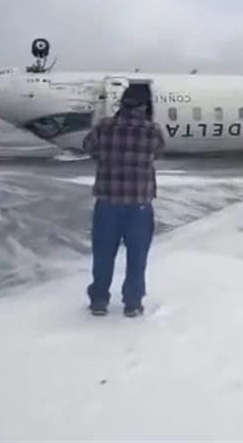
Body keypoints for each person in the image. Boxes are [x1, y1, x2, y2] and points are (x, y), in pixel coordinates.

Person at [82, 85, 165, 317]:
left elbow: (87, 146)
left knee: (103, 254)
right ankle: (133, 302)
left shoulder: (105, 127)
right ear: (144, 105)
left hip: (108, 201)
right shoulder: (152, 130)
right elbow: (158, 153)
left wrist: (104, 159)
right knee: (137, 256)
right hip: (139, 203)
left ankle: (99, 300)